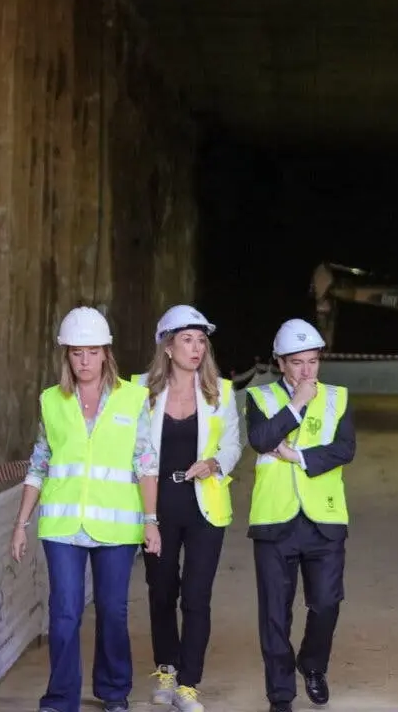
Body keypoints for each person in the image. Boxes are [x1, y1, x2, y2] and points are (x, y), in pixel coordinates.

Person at [9, 306, 162, 712]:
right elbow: (39, 463)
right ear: (66, 355)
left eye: (93, 352)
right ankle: (60, 698)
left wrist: (151, 520)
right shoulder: (51, 401)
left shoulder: (133, 399)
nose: (85, 361)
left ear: (106, 353)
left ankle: (114, 693)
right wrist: (21, 523)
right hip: (62, 526)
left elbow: (146, 462)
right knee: (64, 614)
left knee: (112, 612)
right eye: (77, 353)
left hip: (116, 527)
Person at [133, 305, 243, 712]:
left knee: (196, 596)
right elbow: (132, 448)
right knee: (161, 592)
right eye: (187, 340)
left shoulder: (222, 392)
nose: (196, 348)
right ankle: (166, 669)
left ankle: (189, 684)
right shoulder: (139, 391)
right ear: (167, 345)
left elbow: (233, 444)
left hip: (204, 507)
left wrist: (215, 463)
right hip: (157, 504)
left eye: (201, 340)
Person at [244, 318, 357, 712]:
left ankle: (312, 664)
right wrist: (296, 405)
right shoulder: (259, 399)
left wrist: (298, 456)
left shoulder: (338, 397)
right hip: (274, 520)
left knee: (326, 603)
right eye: (297, 362)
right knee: (275, 612)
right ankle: (280, 695)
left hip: (324, 520)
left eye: (313, 361)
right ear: (280, 362)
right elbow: (260, 439)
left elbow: (344, 449)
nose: (307, 371)